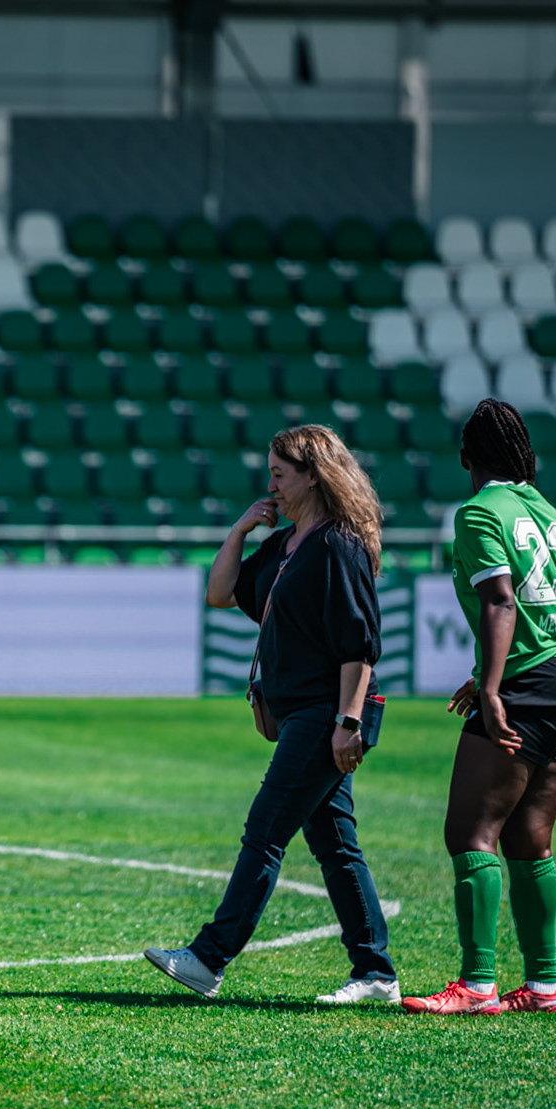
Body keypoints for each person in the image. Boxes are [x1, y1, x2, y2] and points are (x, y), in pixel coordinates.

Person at [144, 425, 398, 1005]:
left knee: (264, 833)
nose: (272, 484)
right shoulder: (284, 543)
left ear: (314, 475)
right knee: (335, 844)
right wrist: (240, 529)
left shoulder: (339, 542)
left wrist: (349, 722)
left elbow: (360, 643)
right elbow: (221, 592)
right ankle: (376, 972)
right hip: (303, 714)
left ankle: (209, 959)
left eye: (281, 473)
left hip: (326, 714)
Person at [402, 398, 556, 1016]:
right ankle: (543, 985)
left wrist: (492, 689)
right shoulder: (553, 515)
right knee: (530, 836)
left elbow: (503, 603)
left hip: (527, 681)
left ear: (466, 459)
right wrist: (487, 671)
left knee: (470, 830)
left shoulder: (480, 512)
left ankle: (478, 986)